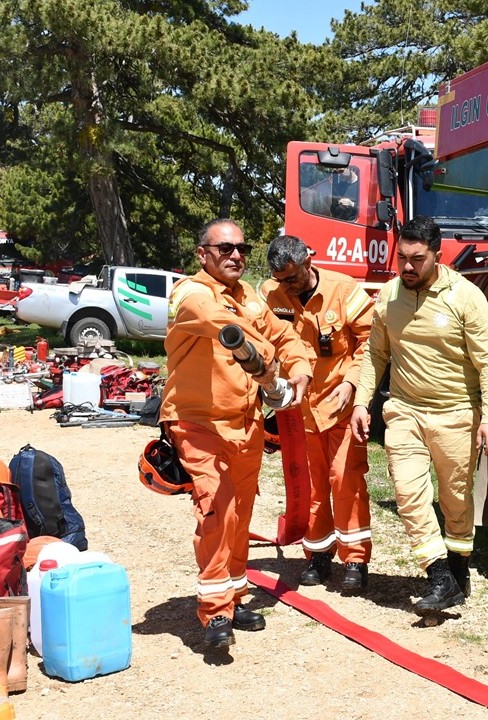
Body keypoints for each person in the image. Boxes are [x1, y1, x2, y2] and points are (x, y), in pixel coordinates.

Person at [160, 219, 314, 649]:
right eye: (224, 248)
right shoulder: (191, 293)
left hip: (244, 424)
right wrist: (267, 364)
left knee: (241, 514)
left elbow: (283, 334)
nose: (235, 255)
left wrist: (298, 368)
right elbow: (220, 324)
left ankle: (234, 594)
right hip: (198, 424)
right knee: (218, 510)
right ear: (201, 254)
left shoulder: (249, 297)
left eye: (241, 248)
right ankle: (214, 614)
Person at [349, 215, 488, 614]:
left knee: (455, 500)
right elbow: (375, 354)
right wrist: (362, 402)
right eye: (403, 257)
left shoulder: (467, 297)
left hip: (456, 414)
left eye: (417, 259)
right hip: (405, 411)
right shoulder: (388, 296)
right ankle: (438, 576)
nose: (407, 267)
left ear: (438, 255)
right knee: (408, 493)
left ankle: (458, 569)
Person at [260, 236, 374, 593]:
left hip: (339, 404)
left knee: (346, 479)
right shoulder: (271, 296)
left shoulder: (344, 290)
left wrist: (353, 385)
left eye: (291, 278)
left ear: (309, 261)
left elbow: (369, 342)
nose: (286, 287)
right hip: (300, 411)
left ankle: (355, 559)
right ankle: (318, 555)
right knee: (310, 486)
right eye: (280, 280)